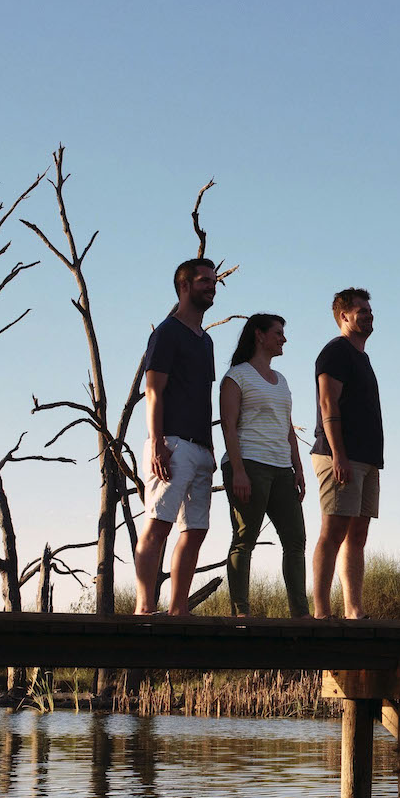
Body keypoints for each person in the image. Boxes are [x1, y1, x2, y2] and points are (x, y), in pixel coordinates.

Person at [134, 258, 218, 615]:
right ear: (184, 286)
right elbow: (153, 389)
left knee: (195, 529)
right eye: (203, 280)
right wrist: (157, 441)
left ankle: (178, 609)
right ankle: (143, 607)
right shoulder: (167, 332)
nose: (211, 286)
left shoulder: (207, 340)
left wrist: (211, 448)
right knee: (158, 524)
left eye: (213, 281)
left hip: (200, 447)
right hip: (171, 443)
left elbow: (203, 395)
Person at [219, 313, 309, 618]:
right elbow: (229, 427)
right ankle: (240, 612)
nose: (283, 338)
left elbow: (288, 428)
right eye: (278, 332)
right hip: (249, 466)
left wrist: (298, 468)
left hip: (282, 469)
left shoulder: (281, 381)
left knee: (295, 540)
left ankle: (300, 613)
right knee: (244, 540)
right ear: (259, 335)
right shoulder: (237, 376)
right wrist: (239, 470)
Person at [310, 288, 383, 619]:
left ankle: (354, 611)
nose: (368, 315)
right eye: (361, 311)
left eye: (369, 310)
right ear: (344, 316)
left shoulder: (362, 357)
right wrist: (338, 454)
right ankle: (322, 612)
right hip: (339, 455)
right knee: (334, 530)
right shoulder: (335, 352)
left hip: (366, 458)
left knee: (358, 535)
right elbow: (328, 403)